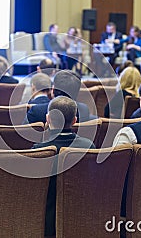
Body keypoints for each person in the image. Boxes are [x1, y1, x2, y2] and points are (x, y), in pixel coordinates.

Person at [31, 96, 95, 237]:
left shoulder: (38, 151)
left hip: (46, 224)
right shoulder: (88, 146)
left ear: (48, 119)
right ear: (74, 121)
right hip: (81, 220)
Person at [24, 70, 91, 124]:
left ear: (52, 90)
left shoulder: (36, 111)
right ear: (77, 92)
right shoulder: (84, 110)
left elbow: (21, 136)